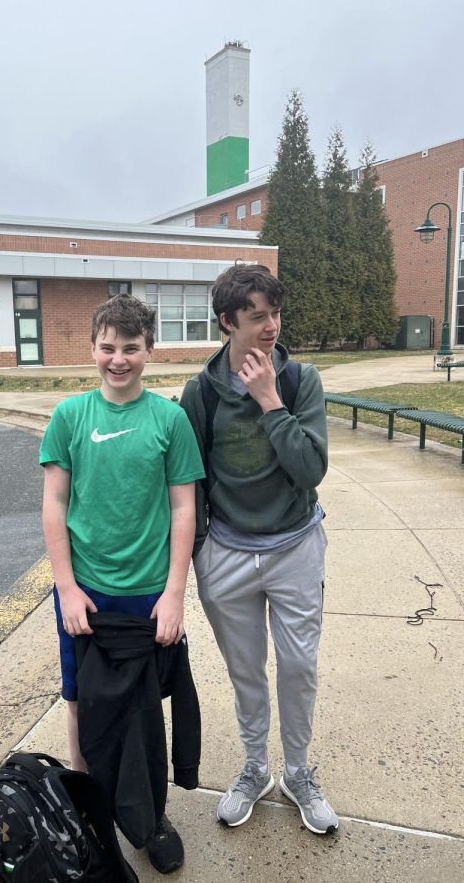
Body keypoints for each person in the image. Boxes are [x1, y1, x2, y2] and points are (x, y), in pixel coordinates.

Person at [40, 293, 205, 873]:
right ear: (92, 349)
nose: (118, 359)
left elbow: (183, 509)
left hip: (146, 594)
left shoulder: (169, 419)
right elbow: (55, 503)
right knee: (81, 700)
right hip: (87, 590)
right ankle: (85, 807)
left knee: (139, 709)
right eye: (107, 348)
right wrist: (66, 587)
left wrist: (174, 594)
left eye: (130, 348)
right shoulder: (70, 417)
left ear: (149, 351)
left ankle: (146, 815)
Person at [179, 263, 339, 835]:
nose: (271, 326)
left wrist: (271, 401)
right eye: (257, 316)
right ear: (227, 322)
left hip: (295, 544)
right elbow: (189, 481)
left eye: (275, 313)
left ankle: (298, 771)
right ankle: (255, 767)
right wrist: (197, 554)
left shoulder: (301, 381)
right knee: (245, 669)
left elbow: (311, 469)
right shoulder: (200, 393)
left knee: (298, 665)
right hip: (226, 550)